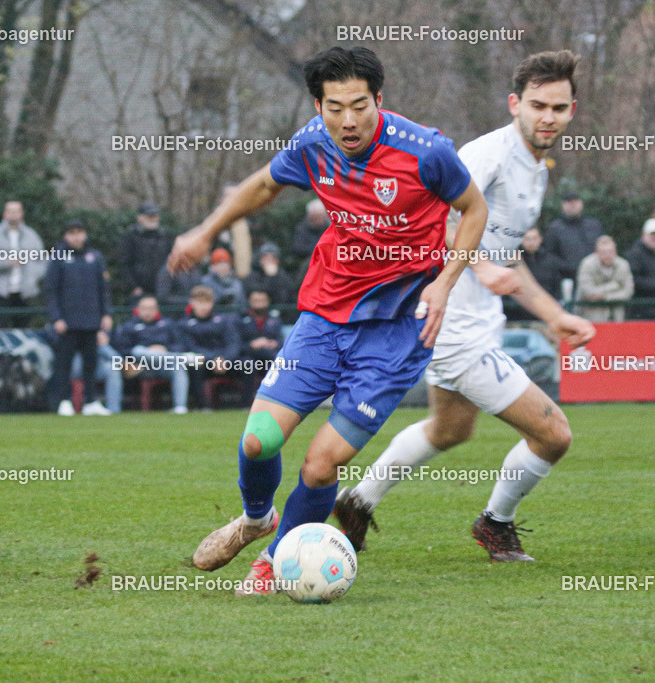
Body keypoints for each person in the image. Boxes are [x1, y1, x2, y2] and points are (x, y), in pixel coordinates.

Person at [167, 46, 487, 595]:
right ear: (318, 106)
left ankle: (273, 560)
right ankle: (256, 518)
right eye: (334, 107)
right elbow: (264, 185)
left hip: (397, 330)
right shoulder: (314, 143)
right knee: (258, 441)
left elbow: (474, 209)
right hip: (325, 313)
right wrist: (205, 230)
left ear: (378, 101)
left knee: (320, 467)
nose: (348, 120)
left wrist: (445, 281)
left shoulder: (426, 151)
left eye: (359, 105)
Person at [337, 50, 596, 563]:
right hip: (452, 320)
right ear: (514, 104)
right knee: (553, 434)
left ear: (571, 110)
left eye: (559, 108)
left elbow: (504, 257)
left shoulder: (536, 166)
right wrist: (479, 268)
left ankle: (357, 501)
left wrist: (552, 315)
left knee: (449, 429)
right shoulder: (488, 156)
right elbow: (442, 221)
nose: (548, 117)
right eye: (538, 105)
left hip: (477, 319)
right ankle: (495, 524)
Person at [45, 220, 113, 416]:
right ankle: (64, 401)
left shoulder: (95, 257)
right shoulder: (58, 257)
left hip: (91, 321)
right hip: (67, 322)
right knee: (64, 365)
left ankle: (90, 401)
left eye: (80, 232)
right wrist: (56, 317)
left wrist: (106, 313)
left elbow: (104, 289)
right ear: (66, 235)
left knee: (90, 364)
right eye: (72, 232)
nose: (76, 237)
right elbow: (51, 290)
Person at [111, 295, 190, 414]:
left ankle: (180, 408)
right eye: (144, 308)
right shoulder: (129, 326)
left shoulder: (168, 324)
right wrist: (147, 351)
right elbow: (122, 349)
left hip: (163, 365)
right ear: (138, 309)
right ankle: (186, 358)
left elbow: (180, 345)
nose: (147, 312)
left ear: (157, 309)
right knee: (139, 351)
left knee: (178, 367)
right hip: (140, 366)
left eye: (151, 308)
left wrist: (164, 348)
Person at [0, 200, 47, 328]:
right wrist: (7, 263)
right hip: (0, 293)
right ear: (4, 213)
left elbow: (41, 262)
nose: (13, 215)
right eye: (10, 211)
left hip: (25, 294)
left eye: (16, 211)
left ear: (21, 213)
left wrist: (33, 278)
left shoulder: (32, 236)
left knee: (23, 333)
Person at [175, 285, 240, 412]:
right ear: (192, 303)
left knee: (247, 365)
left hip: (225, 362)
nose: (203, 306)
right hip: (203, 361)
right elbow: (189, 346)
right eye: (199, 302)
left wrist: (224, 359)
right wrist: (212, 358)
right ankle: (203, 407)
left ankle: (246, 406)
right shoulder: (184, 324)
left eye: (206, 302)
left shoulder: (224, 321)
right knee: (195, 366)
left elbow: (233, 343)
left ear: (212, 303)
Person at [545, 192, 603, 297]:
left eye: (575, 201)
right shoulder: (554, 228)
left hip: (595, 279)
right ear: (563, 205)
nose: (572, 205)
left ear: (581, 204)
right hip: (567, 281)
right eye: (568, 202)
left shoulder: (594, 225)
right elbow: (549, 256)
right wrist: (571, 268)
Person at [118, 201, 174, 302]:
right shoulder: (130, 237)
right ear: (140, 218)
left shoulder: (165, 236)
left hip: (162, 290)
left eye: (155, 215)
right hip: (139, 291)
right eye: (149, 215)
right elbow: (124, 264)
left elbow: (171, 261)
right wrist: (133, 287)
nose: (153, 218)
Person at [236, 289, 284, 402]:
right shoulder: (240, 319)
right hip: (247, 355)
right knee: (247, 365)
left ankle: (277, 401)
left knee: (279, 363)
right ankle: (246, 403)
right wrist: (252, 345)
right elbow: (236, 345)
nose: (259, 304)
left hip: (269, 354)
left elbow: (281, 342)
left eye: (262, 300)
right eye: (256, 300)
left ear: (268, 301)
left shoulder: (275, 319)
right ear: (250, 301)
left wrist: (274, 343)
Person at [576, 235, 634, 322]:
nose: (607, 255)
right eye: (603, 252)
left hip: (617, 318)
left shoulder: (623, 264)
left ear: (615, 252)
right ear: (596, 253)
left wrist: (606, 297)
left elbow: (628, 292)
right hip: (591, 318)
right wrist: (614, 286)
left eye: (610, 252)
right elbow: (588, 292)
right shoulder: (587, 264)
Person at [624, 218, 655, 319]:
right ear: (644, 235)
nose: (654, 237)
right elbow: (634, 280)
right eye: (652, 234)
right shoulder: (634, 254)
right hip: (641, 309)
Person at [290, 198, 330, 277]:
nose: (320, 220)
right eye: (316, 217)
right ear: (310, 216)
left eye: (322, 217)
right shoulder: (302, 230)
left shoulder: (331, 228)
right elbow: (298, 249)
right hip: (309, 265)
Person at [521, 227, 562, 300]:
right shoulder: (516, 261)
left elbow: (556, 287)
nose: (531, 243)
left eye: (534, 239)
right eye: (527, 239)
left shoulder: (551, 261)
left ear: (540, 239)